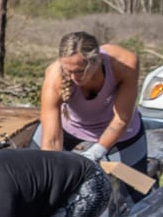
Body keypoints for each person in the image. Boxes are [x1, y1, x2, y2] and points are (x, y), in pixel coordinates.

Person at [35, 31, 146, 170]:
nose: (74, 77)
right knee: (41, 169)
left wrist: (96, 152)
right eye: (68, 71)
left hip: (117, 129)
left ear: (97, 60)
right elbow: (51, 141)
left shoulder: (124, 63)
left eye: (80, 71)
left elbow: (122, 117)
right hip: (72, 128)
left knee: (136, 187)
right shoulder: (54, 76)